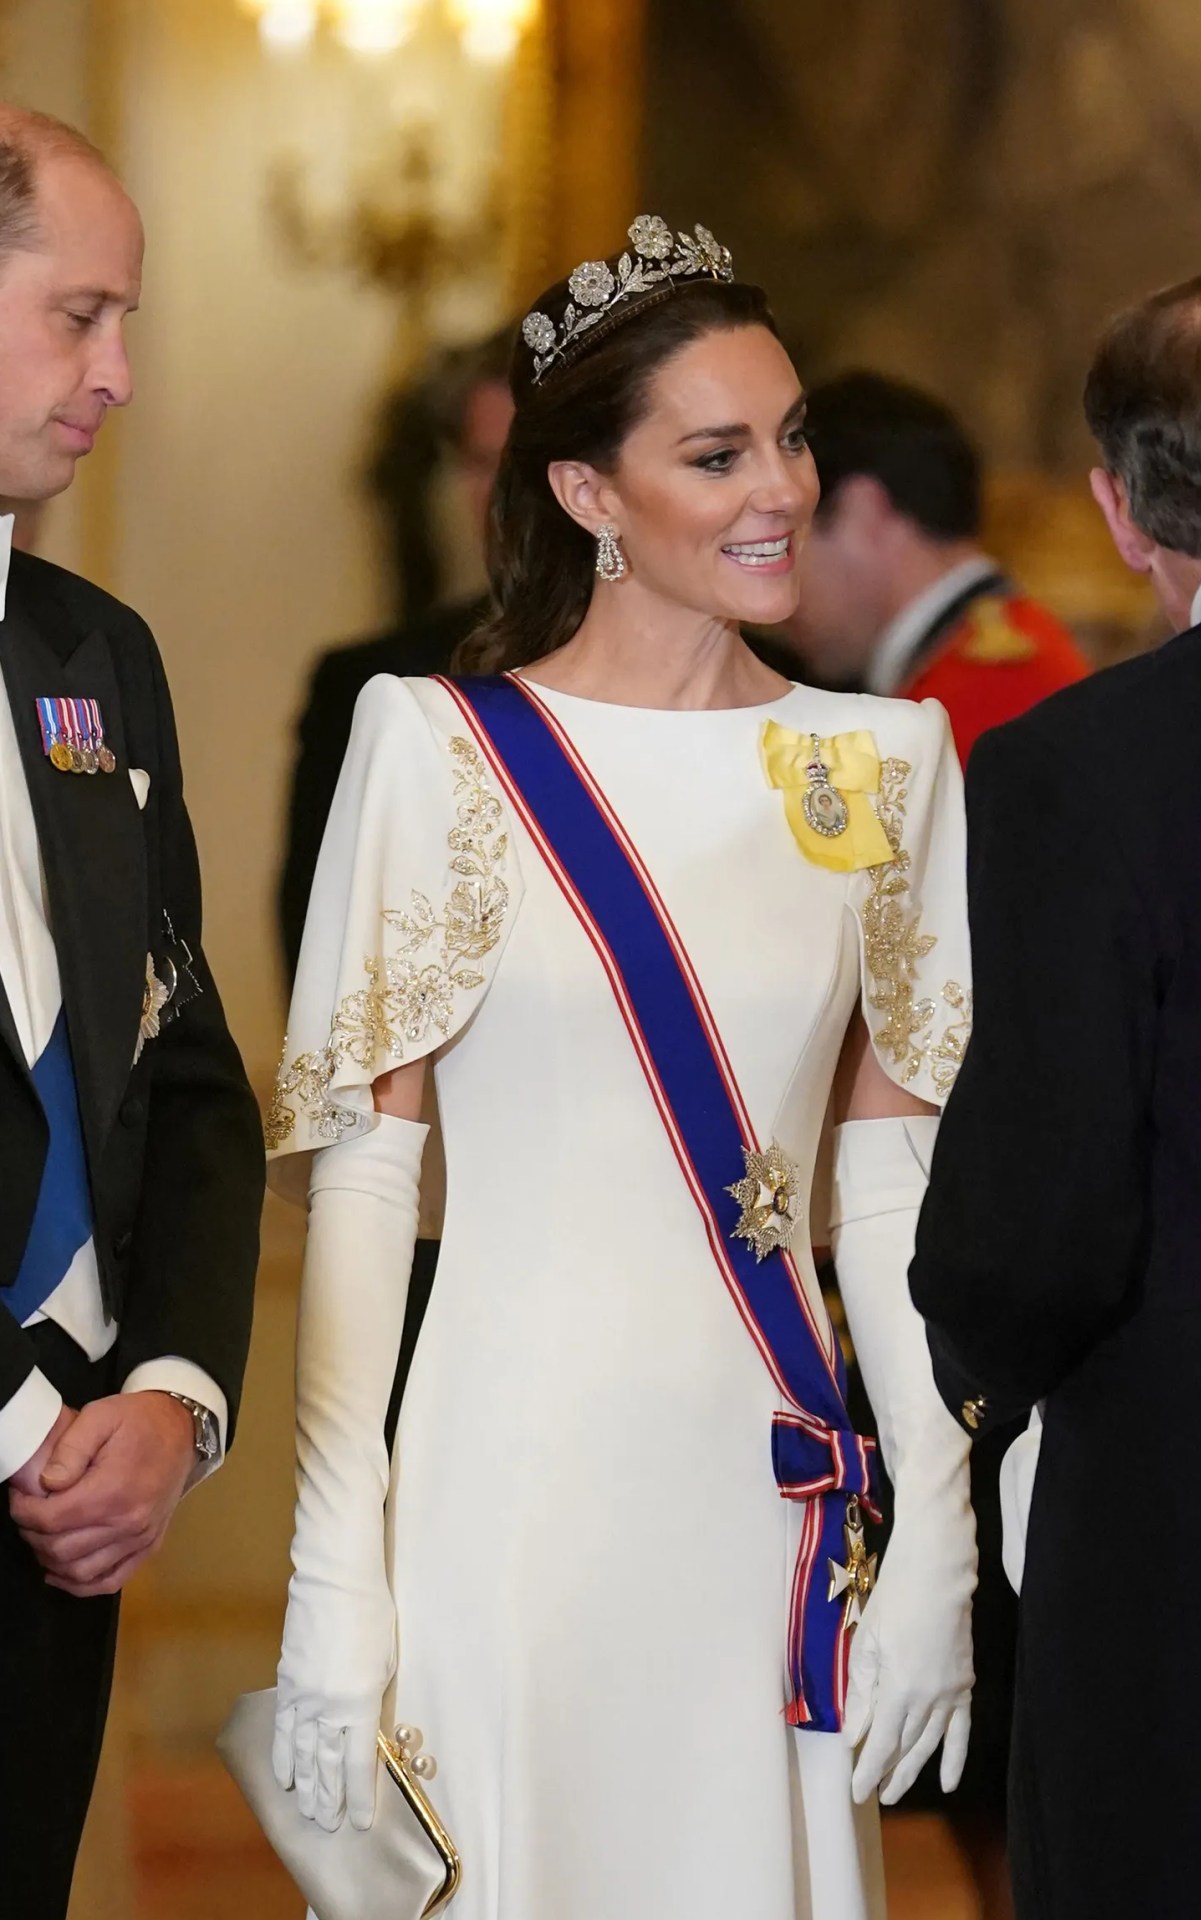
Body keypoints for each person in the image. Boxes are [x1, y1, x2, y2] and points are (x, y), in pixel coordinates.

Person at [265, 217, 977, 1920]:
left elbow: (887, 1193)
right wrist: (327, 1587)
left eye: (793, 437)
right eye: (716, 453)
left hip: (769, 1497)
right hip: (511, 1482)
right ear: (587, 493)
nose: (781, 490)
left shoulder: (883, 764)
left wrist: (941, 1539)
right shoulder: (434, 748)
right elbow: (367, 1188)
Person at [910, 256, 1201, 1920]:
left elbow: (1040, 1214)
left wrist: (969, 1373)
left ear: (1120, 508)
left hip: (1191, 1549)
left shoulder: (1077, 767)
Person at [0, 108, 262, 1919]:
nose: (124, 376)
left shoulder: (98, 656)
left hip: (67, 1526)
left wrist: (168, 1392)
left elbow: (189, 1088)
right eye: (82, 316)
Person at [277, 328, 513, 985]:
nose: (501, 496)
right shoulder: (368, 684)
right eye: (482, 463)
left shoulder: (745, 685)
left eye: (526, 461)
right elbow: (321, 960)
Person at [785, 372, 1089, 767]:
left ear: (863, 513)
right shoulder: (988, 673)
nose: (778, 598)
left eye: (785, 541)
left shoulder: (978, 702)